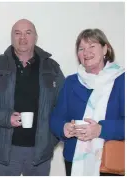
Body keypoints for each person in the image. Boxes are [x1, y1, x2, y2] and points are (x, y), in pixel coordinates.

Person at [0, 19, 65, 176]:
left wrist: (51, 140)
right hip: (6, 152)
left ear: (35, 37)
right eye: (17, 33)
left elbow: (64, 106)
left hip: (40, 154)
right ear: (12, 38)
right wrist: (6, 118)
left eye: (28, 33)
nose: (23, 38)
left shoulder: (52, 68)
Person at [50, 28, 125, 176]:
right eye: (81, 48)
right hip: (74, 159)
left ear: (105, 49)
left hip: (109, 161)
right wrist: (64, 128)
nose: (86, 52)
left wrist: (100, 130)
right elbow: (55, 118)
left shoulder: (121, 80)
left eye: (92, 46)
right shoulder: (71, 82)